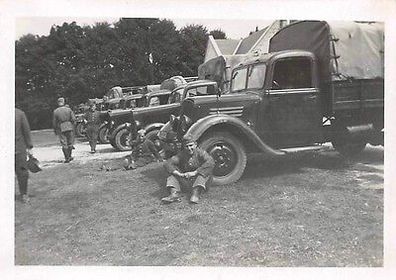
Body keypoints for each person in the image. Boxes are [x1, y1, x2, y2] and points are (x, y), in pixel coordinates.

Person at [162, 135, 215, 204]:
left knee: (203, 174)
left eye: (191, 145)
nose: (189, 148)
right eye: (186, 146)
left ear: (195, 145)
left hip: (201, 181)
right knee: (172, 176)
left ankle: (196, 194)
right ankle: (174, 194)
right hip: (188, 180)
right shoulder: (182, 154)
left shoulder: (201, 153)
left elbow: (210, 162)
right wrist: (179, 174)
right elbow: (167, 163)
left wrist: (195, 172)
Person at [15, 108, 33, 203]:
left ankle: (24, 194)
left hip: (18, 148)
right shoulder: (20, 113)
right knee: (22, 172)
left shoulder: (19, 114)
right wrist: (29, 146)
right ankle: (24, 194)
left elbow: (26, 130)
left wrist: (29, 146)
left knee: (22, 172)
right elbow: (26, 130)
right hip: (18, 148)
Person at [53, 97, 76, 163]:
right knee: (70, 142)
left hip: (61, 127)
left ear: (58, 103)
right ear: (64, 102)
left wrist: (55, 129)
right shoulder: (68, 110)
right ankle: (70, 156)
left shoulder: (56, 111)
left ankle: (67, 158)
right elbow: (73, 119)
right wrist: (73, 126)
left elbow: (54, 122)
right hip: (69, 126)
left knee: (64, 143)